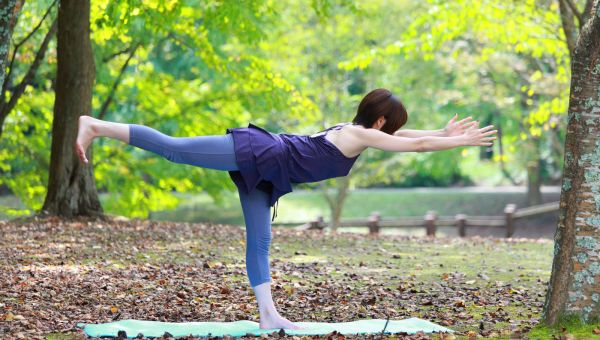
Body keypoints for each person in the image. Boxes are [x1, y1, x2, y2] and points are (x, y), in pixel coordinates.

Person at [75, 88, 497, 330]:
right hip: (259, 151)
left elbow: (416, 137)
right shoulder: (360, 136)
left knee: (260, 238)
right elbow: (417, 145)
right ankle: (95, 125)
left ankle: (268, 315)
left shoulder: (355, 129)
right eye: (395, 126)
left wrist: (442, 131)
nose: (398, 134)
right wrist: (458, 142)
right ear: (382, 123)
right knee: (175, 150)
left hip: (270, 173)